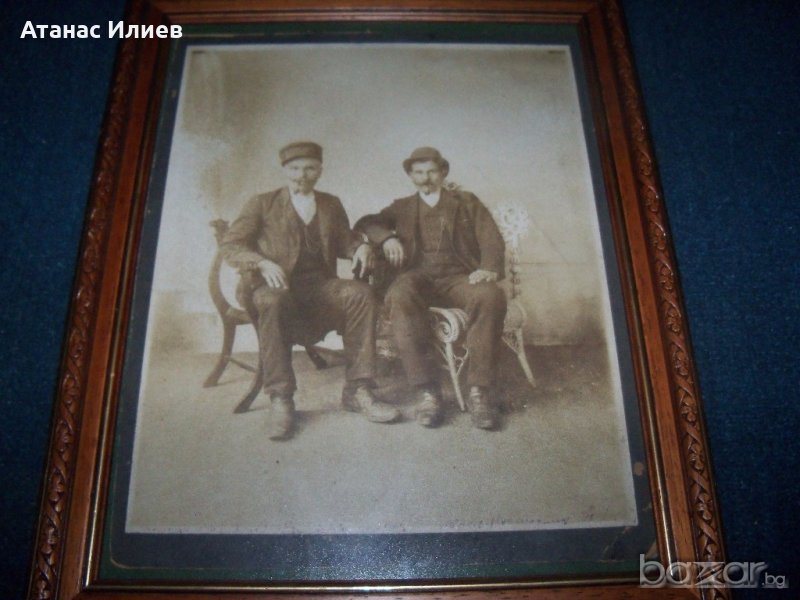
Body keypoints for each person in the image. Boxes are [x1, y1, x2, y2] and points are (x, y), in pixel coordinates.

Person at [220, 141, 400, 440]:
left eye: (309, 168)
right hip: (274, 286)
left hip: (319, 285)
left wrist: (360, 247)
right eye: (294, 169)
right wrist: (262, 262)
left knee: (361, 294)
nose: (301, 175)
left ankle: (358, 390)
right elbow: (231, 245)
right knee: (273, 301)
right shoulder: (262, 203)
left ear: (319, 171)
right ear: (284, 170)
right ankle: (281, 398)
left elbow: (345, 241)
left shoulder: (330, 203)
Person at [356, 147, 507, 430]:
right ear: (410, 175)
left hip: (459, 277)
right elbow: (367, 223)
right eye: (419, 173)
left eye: (431, 171)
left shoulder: (466, 202)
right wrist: (387, 238)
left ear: (443, 172)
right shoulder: (402, 207)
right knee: (399, 294)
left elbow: (490, 237)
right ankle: (427, 393)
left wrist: (488, 268)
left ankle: (480, 392)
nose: (425, 178)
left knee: (490, 295)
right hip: (418, 277)